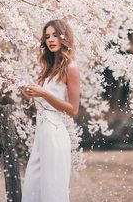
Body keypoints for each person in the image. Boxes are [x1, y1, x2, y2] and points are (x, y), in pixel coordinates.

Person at [20, 19, 80, 202]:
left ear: (64, 37)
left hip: (55, 136)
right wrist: (26, 92)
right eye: (47, 36)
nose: (51, 39)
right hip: (41, 136)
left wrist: (44, 93)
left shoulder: (71, 67)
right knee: (32, 188)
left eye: (55, 35)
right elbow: (41, 103)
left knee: (52, 192)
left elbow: (73, 110)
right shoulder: (48, 69)